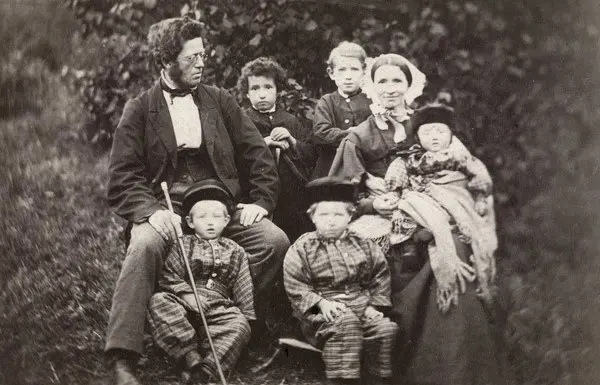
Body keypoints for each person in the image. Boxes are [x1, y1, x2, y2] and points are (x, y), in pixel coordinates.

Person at [105, 17, 289, 385]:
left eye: (204, 55)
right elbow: (122, 178)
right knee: (143, 245)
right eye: (192, 57)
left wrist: (262, 203)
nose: (202, 62)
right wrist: (150, 213)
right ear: (166, 61)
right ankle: (124, 355)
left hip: (220, 206)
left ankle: (235, 324)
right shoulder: (140, 110)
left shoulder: (220, 101)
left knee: (274, 241)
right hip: (167, 207)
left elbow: (257, 155)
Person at [329, 54, 508, 385]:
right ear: (370, 86)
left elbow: (463, 167)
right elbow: (340, 194)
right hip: (384, 212)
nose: (390, 88)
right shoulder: (358, 135)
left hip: (437, 209)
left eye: (398, 80)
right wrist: (372, 205)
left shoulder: (430, 124)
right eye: (382, 80)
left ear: (409, 85)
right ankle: (410, 358)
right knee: (413, 245)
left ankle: (461, 364)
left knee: (453, 242)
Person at [383, 103, 497, 312]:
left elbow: (478, 177)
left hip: (455, 202)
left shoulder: (459, 157)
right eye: (427, 132)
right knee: (408, 204)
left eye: (440, 131)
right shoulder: (410, 159)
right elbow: (397, 179)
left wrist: (480, 198)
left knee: (463, 222)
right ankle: (416, 240)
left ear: (451, 134)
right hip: (424, 203)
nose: (434, 137)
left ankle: (447, 232)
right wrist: (393, 192)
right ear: (417, 136)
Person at [283, 177, 398, 385]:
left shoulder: (364, 244)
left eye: (338, 214)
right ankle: (342, 380)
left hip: (360, 304)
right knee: (345, 324)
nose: (331, 220)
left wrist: (374, 305)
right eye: (324, 215)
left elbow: (379, 275)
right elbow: (296, 286)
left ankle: (376, 377)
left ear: (350, 216)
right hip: (317, 310)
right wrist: (320, 304)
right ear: (313, 217)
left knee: (385, 329)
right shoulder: (303, 248)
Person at [148, 180, 255, 383]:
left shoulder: (236, 251)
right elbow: (169, 273)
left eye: (217, 217)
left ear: (226, 221)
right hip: (185, 303)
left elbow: (244, 286)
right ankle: (189, 356)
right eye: (203, 217)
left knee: (240, 324)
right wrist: (187, 295)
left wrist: (246, 319)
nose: (210, 222)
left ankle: (206, 371)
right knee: (159, 301)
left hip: (218, 308)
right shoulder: (183, 244)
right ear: (190, 222)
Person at [238, 57, 317, 241]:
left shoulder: (289, 120)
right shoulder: (243, 121)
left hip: (292, 196)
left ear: (278, 91)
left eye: (268, 87)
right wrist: (263, 144)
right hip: (258, 193)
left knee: (297, 234)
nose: (262, 94)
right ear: (247, 94)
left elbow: (311, 155)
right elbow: (235, 156)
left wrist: (292, 140)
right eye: (255, 89)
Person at [311, 41, 373, 179]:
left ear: (364, 71)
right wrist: (350, 134)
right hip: (331, 166)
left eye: (354, 69)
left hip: (366, 165)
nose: (348, 76)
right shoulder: (327, 102)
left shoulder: (372, 101)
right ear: (331, 73)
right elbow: (321, 133)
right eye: (342, 70)